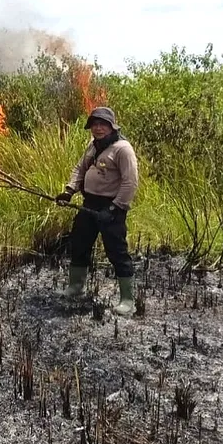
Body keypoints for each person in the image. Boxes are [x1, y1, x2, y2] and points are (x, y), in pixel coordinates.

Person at [55, 107, 139, 315]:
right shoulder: (92, 146)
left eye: (103, 124)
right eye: (94, 124)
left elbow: (130, 183)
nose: (98, 128)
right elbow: (80, 169)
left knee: (117, 252)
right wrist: (69, 191)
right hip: (89, 204)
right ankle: (76, 287)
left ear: (112, 126)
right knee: (79, 243)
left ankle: (128, 300)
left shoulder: (123, 149)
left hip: (112, 208)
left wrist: (114, 208)